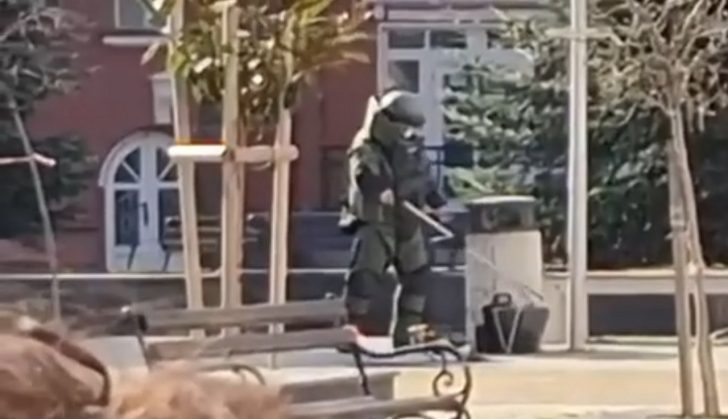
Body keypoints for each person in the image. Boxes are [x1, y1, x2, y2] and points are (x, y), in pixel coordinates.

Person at [339, 90, 448, 347]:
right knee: (364, 279)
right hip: (377, 221)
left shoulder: (413, 148)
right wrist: (379, 188)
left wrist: (435, 203)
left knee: (417, 276)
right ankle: (348, 332)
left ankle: (406, 331)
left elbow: (424, 178)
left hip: (408, 221)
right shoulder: (365, 146)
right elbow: (363, 173)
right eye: (404, 127)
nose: (409, 133)